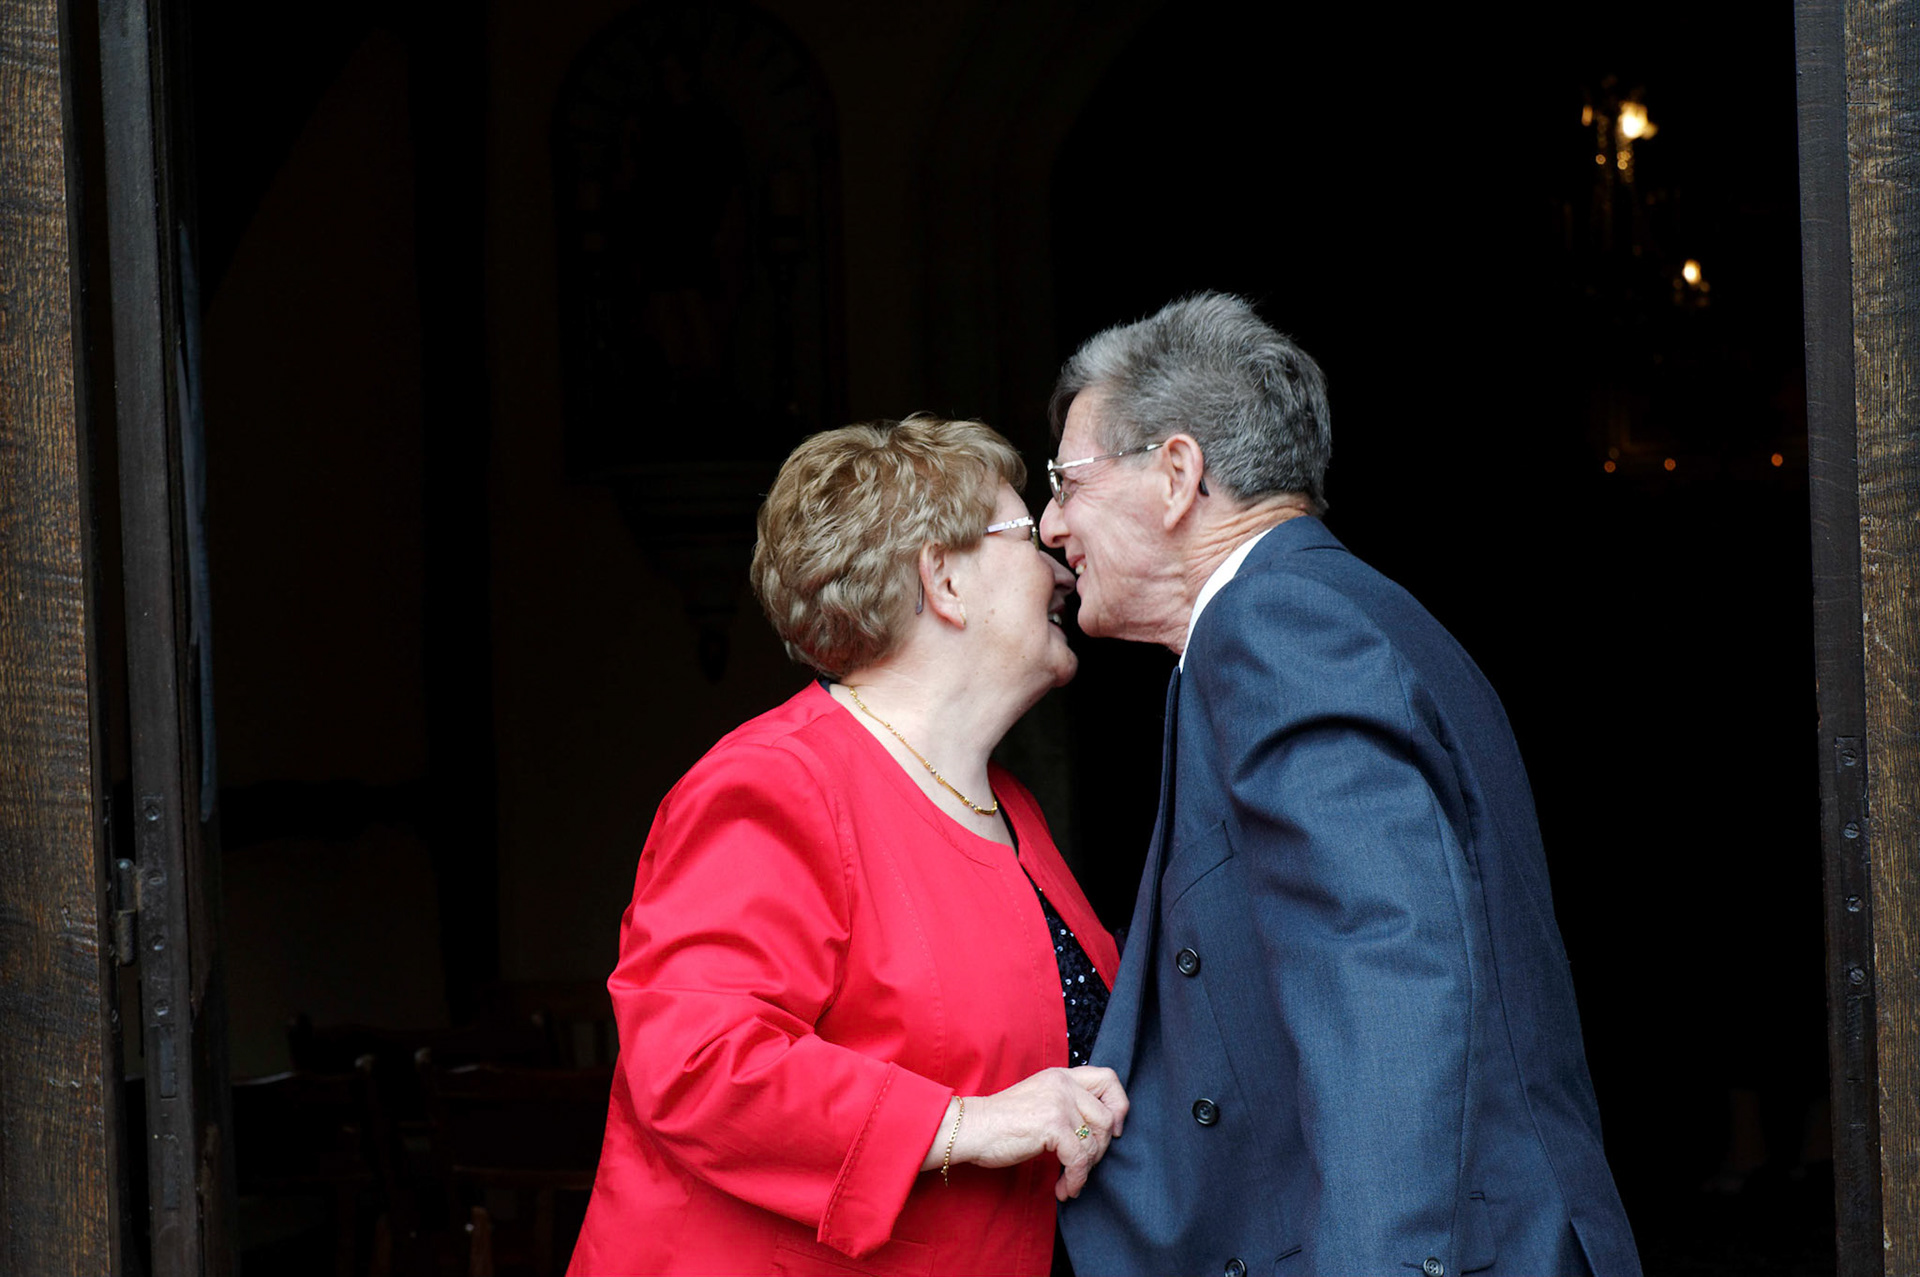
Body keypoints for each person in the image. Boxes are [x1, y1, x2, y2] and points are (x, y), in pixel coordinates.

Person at [1042, 295, 1641, 1277]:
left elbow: (1384, 967)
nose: (1052, 524)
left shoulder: (1274, 623)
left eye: (1068, 482)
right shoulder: (1332, 604)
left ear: (1178, 474)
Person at [568, 415, 1128, 1276]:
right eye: (1025, 533)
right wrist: (967, 1124)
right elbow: (698, 1062)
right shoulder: (774, 783)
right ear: (944, 578)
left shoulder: (1008, 803)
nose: (1059, 558)